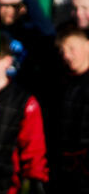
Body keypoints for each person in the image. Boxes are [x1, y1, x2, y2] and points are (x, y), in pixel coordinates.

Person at [0, 35, 49, 193]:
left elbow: (34, 147)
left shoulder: (24, 102)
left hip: (6, 185)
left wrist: (35, 179)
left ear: (7, 61)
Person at [50, 24, 89, 192]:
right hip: (63, 170)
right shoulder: (61, 83)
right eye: (63, 51)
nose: (67, 56)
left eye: (72, 48)